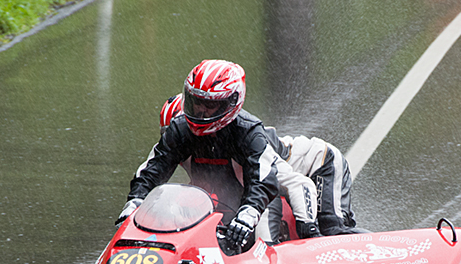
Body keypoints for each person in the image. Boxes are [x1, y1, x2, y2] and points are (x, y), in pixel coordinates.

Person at [117, 60, 320, 244]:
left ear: (230, 103)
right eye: (196, 102)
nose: (200, 111)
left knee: (262, 243)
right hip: (226, 204)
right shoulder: (180, 129)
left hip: (262, 203)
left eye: (210, 104)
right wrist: (134, 204)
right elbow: (152, 170)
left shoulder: (250, 133)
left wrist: (249, 215)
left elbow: (266, 183)